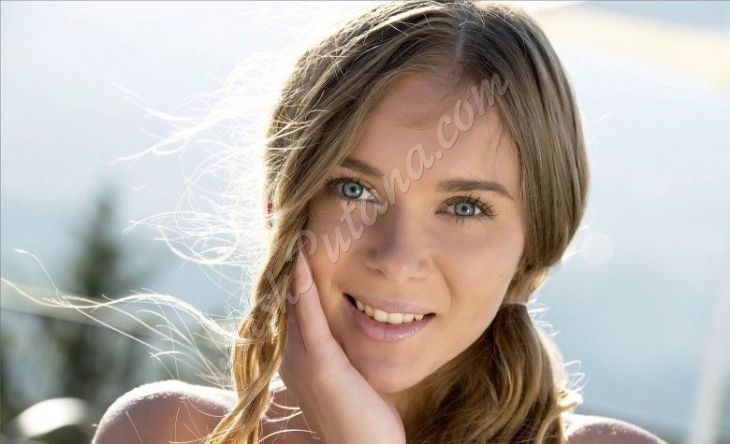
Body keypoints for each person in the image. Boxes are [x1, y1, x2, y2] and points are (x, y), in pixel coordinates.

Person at [93, 1, 667, 443]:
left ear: (535, 244)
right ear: (282, 207)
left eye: (465, 207)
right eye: (354, 189)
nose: (397, 259)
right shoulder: (169, 433)